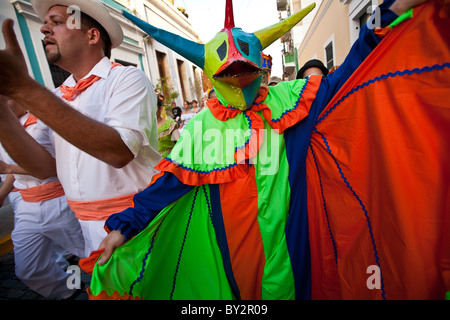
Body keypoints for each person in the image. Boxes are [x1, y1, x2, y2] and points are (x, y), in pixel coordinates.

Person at [86, 0, 430, 300]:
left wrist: (388, 13)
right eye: (228, 75)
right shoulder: (202, 127)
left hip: (294, 245)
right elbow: (169, 183)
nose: (238, 81)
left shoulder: (290, 102)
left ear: (261, 70)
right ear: (210, 76)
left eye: (246, 72)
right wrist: (126, 226)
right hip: (229, 253)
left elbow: (350, 74)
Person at [0, 0, 161, 256]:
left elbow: (118, 152)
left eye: (57, 22)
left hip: (135, 223)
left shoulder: (128, 78)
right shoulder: (56, 96)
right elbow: (43, 168)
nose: (44, 30)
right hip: (86, 226)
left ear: (92, 35)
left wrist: (24, 88)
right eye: (44, 24)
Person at [0, 97, 85, 299]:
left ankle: (115, 289)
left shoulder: (43, 121)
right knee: (28, 269)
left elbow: (53, 166)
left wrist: (7, 167)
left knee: (90, 254)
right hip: (27, 205)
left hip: (58, 201)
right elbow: (20, 164)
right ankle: (69, 290)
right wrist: (3, 192)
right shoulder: (9, 128)